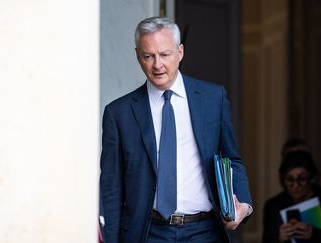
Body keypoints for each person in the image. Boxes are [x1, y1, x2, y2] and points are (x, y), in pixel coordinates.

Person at [100, 16, 253, 243]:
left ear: (180, 52)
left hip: (204, 232)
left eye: (164, 54)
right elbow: (111, 187)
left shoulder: (212, 98)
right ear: (137, 56)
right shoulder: (118, 113)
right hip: (147, 233)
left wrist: (244, 206)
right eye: (148, 56)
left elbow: (232, 159)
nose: (157, 64)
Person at [262, 150, 321, 242]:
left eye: (302, 179)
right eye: (290, 180)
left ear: (312, 178)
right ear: (283, 179)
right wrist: (280, 238)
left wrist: (314, 234)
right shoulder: (273, 205)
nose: (296, 186)